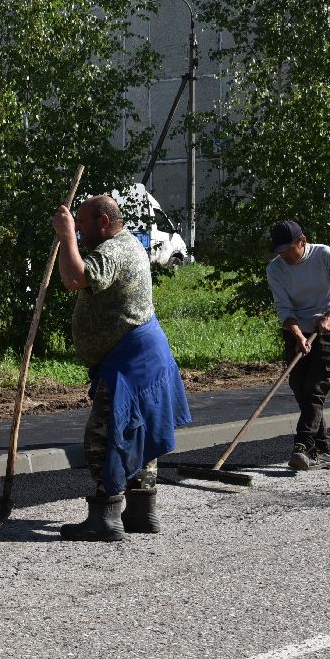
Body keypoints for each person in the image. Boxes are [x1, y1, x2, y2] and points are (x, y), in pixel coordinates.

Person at [52, 194, 192, 542]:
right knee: (137, 431)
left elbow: (73, 280)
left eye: (83, 224)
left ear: (103, 221)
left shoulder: (113, 251)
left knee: (103, 437)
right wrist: (71, 235)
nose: (81, 231)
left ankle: (106, 517)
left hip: (132, 362)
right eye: (77, 226)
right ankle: (142, 512)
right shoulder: (125, 245)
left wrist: (66, 236)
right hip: (140, 356)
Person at [265, 221, 330, 471]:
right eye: (279, 250)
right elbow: (283, 308)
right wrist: (297, 334)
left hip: (329, 330)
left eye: (288, 249)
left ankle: (302, 445)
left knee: (316, 389)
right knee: (300, 389)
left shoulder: (325, 255)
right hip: (296, 330)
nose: (283, 254)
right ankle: (325, 450)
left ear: (302, 241)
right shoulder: (275, 269)